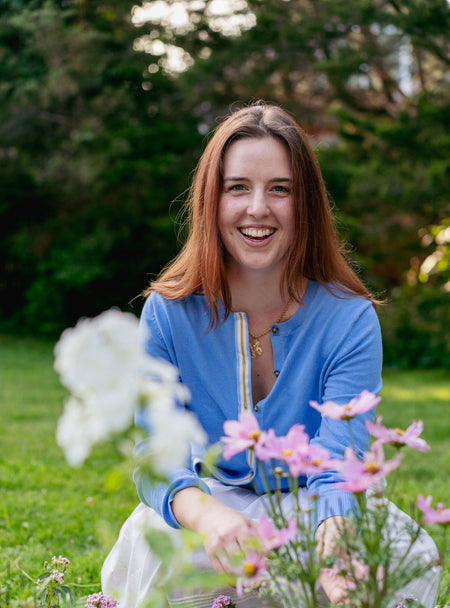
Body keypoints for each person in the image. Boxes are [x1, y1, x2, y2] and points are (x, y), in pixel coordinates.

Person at [101, 103, 440, 607]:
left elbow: (339, 458)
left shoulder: (350, 319)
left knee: (405, 554)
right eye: (238, 187)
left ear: (305, 204)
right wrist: (210, 517)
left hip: (319, 506)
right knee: (161, 553)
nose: (257, 208)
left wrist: (337, 538)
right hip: (210, 506)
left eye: (280, 189)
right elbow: (158, 457)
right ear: (210, 202)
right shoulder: (167, 314)